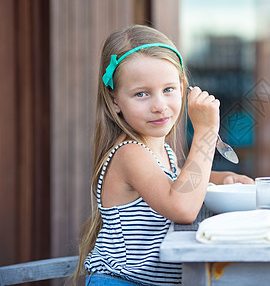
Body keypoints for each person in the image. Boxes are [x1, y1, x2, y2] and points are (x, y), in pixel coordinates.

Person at [73, 24, 253, 285]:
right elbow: (181, 206)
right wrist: (205, 132)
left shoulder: (159, 150)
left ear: (182, 88)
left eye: (168, 89)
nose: (159, 106)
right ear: (115, 102)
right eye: (141, 94)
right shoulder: (129, 153)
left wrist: (220, 178)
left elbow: (176, 181)